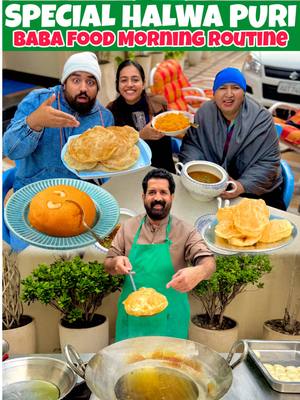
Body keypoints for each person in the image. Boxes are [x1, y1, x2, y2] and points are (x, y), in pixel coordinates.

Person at [104, 168, 215, 341]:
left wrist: (199, 272)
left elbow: (208, 263)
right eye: (152, 192)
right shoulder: (128, 227)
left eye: (163, 192)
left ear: (172, 197)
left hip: (171, 320)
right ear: (143, 197)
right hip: (133, 317)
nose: (157, 197)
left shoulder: (186, 230)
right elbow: (108, 264)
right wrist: (116, 262)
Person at [3, 52, 114, 191]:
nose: (83, 88)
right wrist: (34, 122)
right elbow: (10, 150)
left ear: (98, 88)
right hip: (33, 191)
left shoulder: (105, 117)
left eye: (91, 82)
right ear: (64, 83)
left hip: (78, 193)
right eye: (76, 80)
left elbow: (105, 170)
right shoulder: (38, 100)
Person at [179, 67, 286, 210]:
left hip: (254, 190)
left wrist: (242, 186)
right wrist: (195, 173)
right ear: (214, 93)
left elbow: (269, 163)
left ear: (244, 92)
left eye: (235, 88)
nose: (229, 94)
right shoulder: (204, 113)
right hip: (213, 187)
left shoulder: (261, 119)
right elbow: (192, 144)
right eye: (222, 88)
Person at [106, 60, 176, 173]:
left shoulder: (158, 103)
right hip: (129, 173)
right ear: (117, 84)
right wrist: (140, 136)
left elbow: (166, 148)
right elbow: (111, 150)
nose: (129, 84)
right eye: (124, 80)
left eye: (135, 80)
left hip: (162, 171)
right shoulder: (110, 112)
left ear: (143, 83)